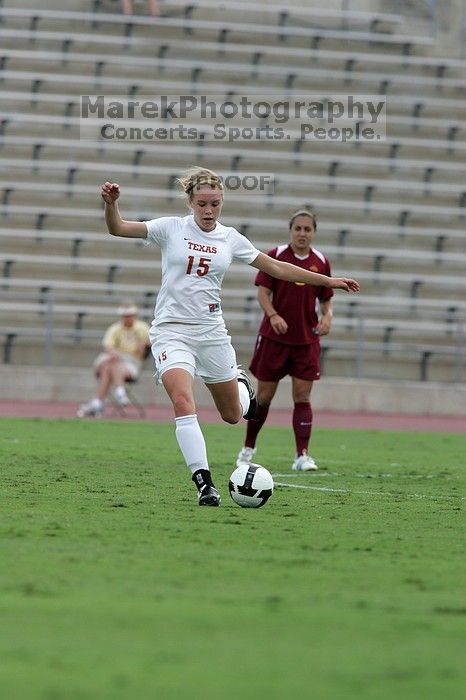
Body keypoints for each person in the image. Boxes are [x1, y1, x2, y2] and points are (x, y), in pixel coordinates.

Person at [99, 167, 360, 506]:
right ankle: (204, 483)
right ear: (191, 202)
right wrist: (111, 204)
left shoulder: (230, 238)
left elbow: (276, 268)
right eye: (203, 204)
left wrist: (327, 281)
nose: (209, 211)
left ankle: (238, 383)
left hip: (211, 334)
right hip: (171, 331)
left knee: (233, 415)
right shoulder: (170, 228)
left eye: (216, 204)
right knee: (182, 399)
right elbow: (117, 228)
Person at [236, 209, 335, 472]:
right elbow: (263, 293)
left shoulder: (322, 261)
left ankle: (302, 455)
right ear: (291, 230)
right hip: (274, 339)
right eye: (298, 228)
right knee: (265, 397)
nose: (302, 233)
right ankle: (248, 448)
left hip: (306, 340)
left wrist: (328, 317)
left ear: (314, 232)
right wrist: (273, 315)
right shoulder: (276, 255)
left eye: (307, 229)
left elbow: (326, 298)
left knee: (302, 397)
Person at [77, 302, 151, 418]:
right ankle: (119, 391)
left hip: (133, 363)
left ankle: (97, 402)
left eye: (130, 315)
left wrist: (145, 344)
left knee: (109, 366)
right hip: (115, 360)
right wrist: (116, 354)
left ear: (135, 315)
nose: (128, 318)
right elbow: (108, 346)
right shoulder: (115, 329)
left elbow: (152, 341)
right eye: (125, 315)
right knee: (110, 363)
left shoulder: (143, 328)